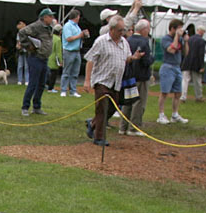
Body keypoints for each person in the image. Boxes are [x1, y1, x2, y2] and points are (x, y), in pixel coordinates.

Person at [84, 15, 138, 146]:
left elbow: (126, 58)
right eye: (120, 30)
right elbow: (90, 59)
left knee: (113, 107)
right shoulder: (101, 41)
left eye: (123, 30)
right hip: (102, 80)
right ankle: (99, 138)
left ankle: (92, 124)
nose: (122, 33)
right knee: (102, 108)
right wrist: (87, 80)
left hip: (116, 82)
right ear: (112, 29)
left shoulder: (124, 43)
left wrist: (133, 57)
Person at [119, 18, 153, 137]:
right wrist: (151, 59)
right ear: (144, 30)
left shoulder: (127, 40)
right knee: (139, 102)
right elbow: (146, 61)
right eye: (148, 29)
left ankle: (123, 127)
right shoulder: (144, 42)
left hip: (129, 75)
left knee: (128, 101)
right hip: (141, 77)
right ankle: (134, 128)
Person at [18, 8, 55, 116]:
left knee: (42, 84)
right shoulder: (36, 26)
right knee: (33, 83)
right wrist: (28, 46)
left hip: (44, 58)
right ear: (44, 17)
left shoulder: (48, 27)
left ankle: (37, 107)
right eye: (50, 16)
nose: (52, 18)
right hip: (36, 57)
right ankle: (25, 107)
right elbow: (22, 32)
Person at [156, 19, 188, 124]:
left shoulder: (180, 39)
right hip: (167, 67)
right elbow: (172, 49)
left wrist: (186, 41)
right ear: (173, 29)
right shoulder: (166, 39)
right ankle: (161, 115)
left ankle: (175, 114)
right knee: (164, 92)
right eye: (179, 28)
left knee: (178, 93)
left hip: (177, 67)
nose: (181, 31)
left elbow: (186, 53)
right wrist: (177, 37)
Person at [60, 9, 87, 97]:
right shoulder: (68, 26)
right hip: (69, 51)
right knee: (67, 71)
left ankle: (73, 91)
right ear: (76, 16)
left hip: (77, 51)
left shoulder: (76, 26)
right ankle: (63, 90)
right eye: (79, 16)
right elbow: (69, 38)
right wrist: (80, 35)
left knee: (75, 72)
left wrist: (83, 35)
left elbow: (77, 38)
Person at [180, 26, 206, 102]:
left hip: (187, 61)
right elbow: (201, 54)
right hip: (196, 63)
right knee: (197, 80)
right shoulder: (201, 41)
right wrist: (202, 65)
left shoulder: (189, 39)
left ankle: (183, 97)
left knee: (185, 80)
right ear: (201, 32)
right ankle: (199, 96)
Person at [47, 23, 62, 91]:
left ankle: (47, 86)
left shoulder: (50, 37)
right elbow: (58, 51)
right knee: (53, 75)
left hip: (48, 57)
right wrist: (61, 61)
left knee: (48, 73)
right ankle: (51, 88)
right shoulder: (58, 39)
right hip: (54, 59)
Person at [14, 20, 29, 86]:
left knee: (26, 66)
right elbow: (18, 41)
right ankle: (19, 80)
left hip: (26, 50)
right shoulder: (18, 33)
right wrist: (18, 45)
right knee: (20, 66)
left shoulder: (27, 32)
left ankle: (27, 80)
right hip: (20, 51)